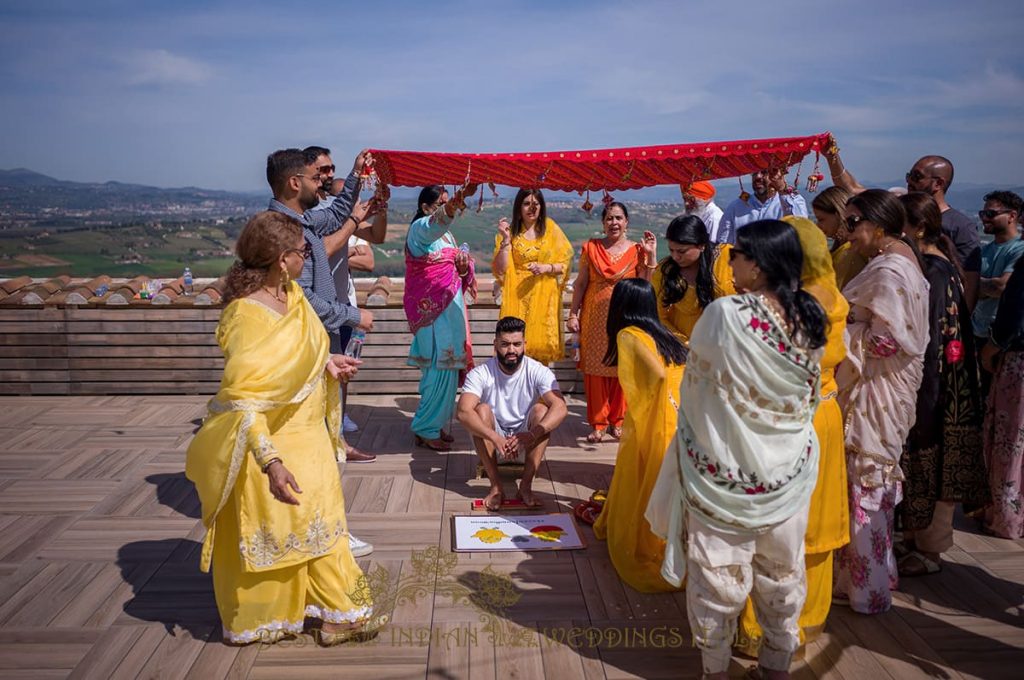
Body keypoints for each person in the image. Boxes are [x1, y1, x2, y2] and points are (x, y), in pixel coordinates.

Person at [185, 211, 384, 646]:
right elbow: (245, 399)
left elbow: (304, 356)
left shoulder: (293, 295)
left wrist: (328, 364)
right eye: (300, 251)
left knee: (322, 524)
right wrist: (270, 462)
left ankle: (338, 611)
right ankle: (275, 615)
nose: (306, 257)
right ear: (281, 259)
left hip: (310, 436)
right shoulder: (246, 316)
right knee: (279, 528)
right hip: (273, 444)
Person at [646, 219, 828, 679]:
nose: (732, 261)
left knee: (717, 576)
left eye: (739, 255)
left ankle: (715, 670)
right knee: (783, 571)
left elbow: (699, 388)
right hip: (788, 466)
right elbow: (805, 396)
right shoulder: (810, 315)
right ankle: (776, 664)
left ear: (759, 263)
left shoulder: (726, 315)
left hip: (723, 470)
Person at [736, 216, 850, 655]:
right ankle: (806, 618)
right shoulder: (831, 295)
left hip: (787, 424)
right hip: (823, 414)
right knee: (812, 528)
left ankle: (762, 630)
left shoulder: (796, 305)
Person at [266, 148, 379, 558]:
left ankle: (321, 526)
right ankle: (323, 531)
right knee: (315, 445)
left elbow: (335, 218)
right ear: (295, 183)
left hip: (320, 343)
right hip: (305, 345)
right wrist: (354, 315)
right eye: (316, 178)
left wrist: (354, 176)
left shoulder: (299, 220)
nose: (322, 185)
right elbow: (303, 298)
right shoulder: (283, 232)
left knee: (325, 441)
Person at [833, 189, 929, 614]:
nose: (846, 231)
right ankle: (872, 577)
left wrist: (843, 328)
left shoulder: (890, 270)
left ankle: (867, 592)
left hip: (878, 390)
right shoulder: (898, 260)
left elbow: (888, 341)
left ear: (880, 224)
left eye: (853, 223)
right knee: (871, 489)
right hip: (883, 389)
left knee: (866, 484)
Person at [895, 192, 990, 576]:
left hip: (938, 384)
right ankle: (917, 540)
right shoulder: (932, 265)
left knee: (934, 456)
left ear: (916, 228)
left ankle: (931, 549)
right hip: (939, 380)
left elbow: (930, 337)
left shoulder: (933, 271)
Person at [592, 278, 687, 593]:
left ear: (620, 306)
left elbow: (658, 375)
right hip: (680, 415)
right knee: (667, 483)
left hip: (657, 418)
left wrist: (648, 403)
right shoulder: (664, 333)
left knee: (647, 477)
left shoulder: (628, 334)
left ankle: (649, 544)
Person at [305, 147, 390, 437]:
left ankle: (338, 421)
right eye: (324, 169)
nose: (329, 174)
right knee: (324, 369)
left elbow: (377, 237)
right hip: (320, 305)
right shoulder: (314, 215)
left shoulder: (333, 214)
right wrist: (354, 219)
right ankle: (327, 430)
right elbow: (322, 250)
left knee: (343, 364)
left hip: (343, 302)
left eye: (332, 169)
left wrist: (381, 210)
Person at [825, 147, 981, 307]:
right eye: (909, 175)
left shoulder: (961, 226)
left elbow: (970, 281)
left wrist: (964, 323)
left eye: (916, 176)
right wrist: (832, 157)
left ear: (938, 183)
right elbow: (852, 189)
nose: (909, 181)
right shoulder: (899, 208)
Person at [567, 202, 657, 443]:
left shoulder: (638, 250)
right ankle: (598, 423)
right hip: (594, 317)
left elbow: (645, 283)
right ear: (603, 223)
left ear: (627, 222)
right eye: (609, 218)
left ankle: (618, 420)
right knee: (595, 369)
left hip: (626, 316)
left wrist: (651, 254)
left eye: (618, 218)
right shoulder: (591, 248)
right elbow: (581, 284)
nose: (614, 223)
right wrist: (573, 314)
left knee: (622, 366)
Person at [456, 316, 568, 509]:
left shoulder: (537, 370)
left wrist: (532, 434)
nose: (511, 350)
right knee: (481, 410)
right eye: (505, 344)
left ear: (524, 344)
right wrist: (495, 437)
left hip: (527, 442)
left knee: (542, 410)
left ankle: (525, 486)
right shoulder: (481, 372)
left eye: (517, 344)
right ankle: (496, 487)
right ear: (495, 345)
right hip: (493, 442)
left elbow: (560, 407)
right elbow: (463, 411)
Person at [405, 184, 478, 452]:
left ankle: (433, 425)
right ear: (425, 208)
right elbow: (435, 224)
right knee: (438, 370)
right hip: (432, 313)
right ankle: (425, 428)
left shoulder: (448, 237)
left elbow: (455, 271)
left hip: (450, 309)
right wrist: (458, 200)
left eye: (448, 202)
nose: (448, 208)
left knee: (448, 369)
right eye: (441, 203)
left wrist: (463, 268)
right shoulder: (419, 230)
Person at [492, 189, 574, 364]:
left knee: (539, 355)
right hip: (517, 296)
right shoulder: (511, 232)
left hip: (543, 299)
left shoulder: (550, 229)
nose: (532, 208)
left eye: (536, 204)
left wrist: (545, 267)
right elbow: (501, 269)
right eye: (527, 204)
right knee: (515, 351)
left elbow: (565, 264)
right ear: (519, 207)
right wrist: (506, 240)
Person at [979, 264, 1024, 538]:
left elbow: (1013, 319)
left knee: (1010, 440)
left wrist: (990, 349)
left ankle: (1006, 516)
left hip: (1019, 363)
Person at [651, 215, 735, 345]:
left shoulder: (725, 258)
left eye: (681, 251)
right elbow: (658, 315)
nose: (675, 257)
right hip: (682, 347)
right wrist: (686, 344)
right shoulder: (666, 271)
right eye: (671, 250)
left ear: (701, 246)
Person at [972, 191, 1024, 395]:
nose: (984, 219)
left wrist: (978, 285)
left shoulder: (1019, 250)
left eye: (991, 214)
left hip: (1004, 340)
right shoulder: (983, 250)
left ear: (1012, 216)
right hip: (979, 332)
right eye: (982, 214)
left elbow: (1001, 287)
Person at [717, 167, 809, 245]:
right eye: (755, 172)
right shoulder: (736, 207)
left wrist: (782, 188)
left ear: (778, 175)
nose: (758, 177)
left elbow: (799, 230)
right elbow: (723, 245)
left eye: (764, 172)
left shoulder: (792, 200)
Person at [811, 185, 866, 290]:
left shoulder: (850, 253)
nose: (818, 225)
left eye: (821, 219)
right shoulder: (844, 250)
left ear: (837, 215)